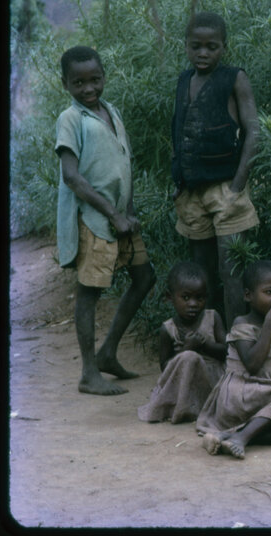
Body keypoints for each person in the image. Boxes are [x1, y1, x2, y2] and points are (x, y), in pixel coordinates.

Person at [55, 45, 156, 396]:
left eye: (94, 80)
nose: (88, 89)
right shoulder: (71, 119)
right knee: (90, 291)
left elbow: (121, 166)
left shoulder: (110, 110)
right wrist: (112, 213)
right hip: (95, 219)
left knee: (145, 277)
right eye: (78, 82)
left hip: (120, 218)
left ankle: (108, 351)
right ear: (65, 83)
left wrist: (128, 211)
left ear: (104, 78)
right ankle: (88, 373)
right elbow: (73, 177)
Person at [171, 12, 260, 330]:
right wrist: (178, 180)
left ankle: (236, 345)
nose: (203, 53)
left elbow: (254, 132)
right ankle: (205, 341)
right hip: (192, 193)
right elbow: (180, 132)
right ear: (185, 46)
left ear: (224, 47)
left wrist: (238, 186)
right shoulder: (185, 80)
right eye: (196, 46)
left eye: (212, 46)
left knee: (231, 270)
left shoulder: (234, 78)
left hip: (226, 190)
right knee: (200, 274)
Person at [196, 260, 271, 458]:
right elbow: (252, 364)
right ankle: (241, 438)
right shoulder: (242, 324)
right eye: (270, 292)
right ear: (248, 295)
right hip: (243, 393)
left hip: (270, 395)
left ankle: (229, 436)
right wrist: (268, 326)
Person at [138, 261, 226, 423]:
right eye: (185, 298)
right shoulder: (167, 329)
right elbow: (165, 368)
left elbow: (225, 352)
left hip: (212, 382)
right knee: (189, 358)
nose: (193, 304)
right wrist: (186, 350)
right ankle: (182, 408)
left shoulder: (213, 318)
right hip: (183, 385)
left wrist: (204, 345)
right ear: (169, 297)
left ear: (206, 297)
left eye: (199, 298)